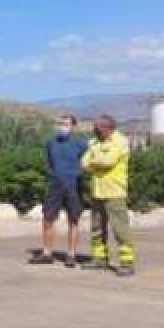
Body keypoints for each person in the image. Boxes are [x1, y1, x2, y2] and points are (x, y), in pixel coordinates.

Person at [30, 114, 89, 268]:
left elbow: (88, 161)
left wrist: (78, 173)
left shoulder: (81, 144)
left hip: (74, 186)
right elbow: (48, 162)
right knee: (47, 219)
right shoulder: (51, 142)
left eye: (66, 124)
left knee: (73, 220)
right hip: (54, 185)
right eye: (60, 124)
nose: (62, 127)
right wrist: (53, 175)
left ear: (73, 127)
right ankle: (47, 253)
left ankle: (71, 255)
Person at [81, 115, 135, 277]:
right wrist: (95, 160)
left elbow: (108, 161)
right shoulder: (94, 142)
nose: (95, 131)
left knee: (120, 229)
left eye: (97, 128)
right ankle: (99, 259)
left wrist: (93, 159)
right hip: (97, 192)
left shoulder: (120, 141)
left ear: (107, 127)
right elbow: (83, 163)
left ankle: (126, 263)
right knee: (97, 229)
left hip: (115, 193)